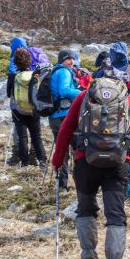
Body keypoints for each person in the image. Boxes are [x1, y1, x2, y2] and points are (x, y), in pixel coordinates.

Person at [50, 71, 130, 259]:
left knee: (86, 208)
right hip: (118, 164)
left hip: (85, 162)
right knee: (115, 214)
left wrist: (57, 161)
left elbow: (65, 130)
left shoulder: (83, 98)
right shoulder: (126, 99)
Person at [48, 49, 83, 189]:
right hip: (65, 115)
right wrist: (82, 93)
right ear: (62, 59)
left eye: (73, 59)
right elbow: (64, 91)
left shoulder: (55, 71)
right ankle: (79, 181)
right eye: (69, 59)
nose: (72, 61)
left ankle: (62, 184)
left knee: (61, 149)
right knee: (77, 148)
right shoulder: (64, 71)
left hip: (55, 116)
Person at [10, 47, 46, 167]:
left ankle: (24, 162)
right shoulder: (35, 75)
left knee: (22, 136)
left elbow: (8, 93)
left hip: (18, 110)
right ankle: (42, 160)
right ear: (29, 61)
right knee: (36, 136)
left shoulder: (13, 76)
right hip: (34, 110)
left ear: (15, 62)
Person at [4, 36, 29, 165]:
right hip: (33, 101)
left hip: (17, 100)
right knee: (36, 132)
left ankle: (18, 155)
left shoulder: (14, 59)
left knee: (19, 131)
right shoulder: (31, 56)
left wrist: (10, 94)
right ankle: (37, 156)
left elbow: (12, 78)